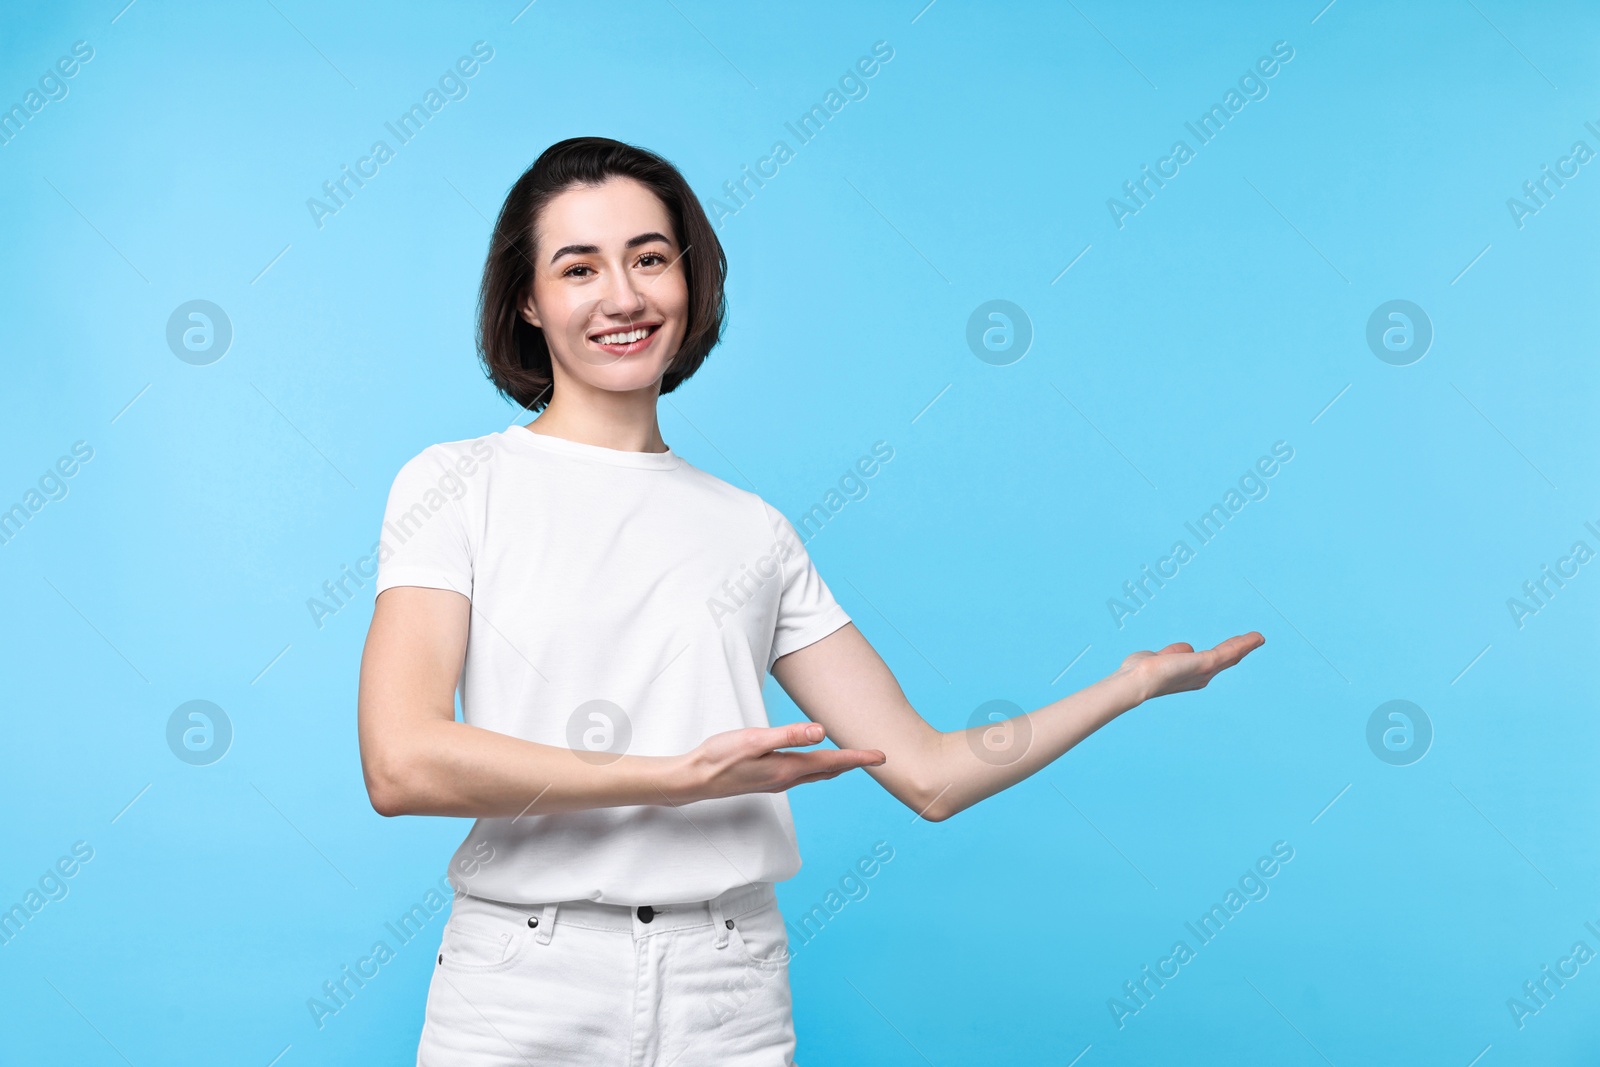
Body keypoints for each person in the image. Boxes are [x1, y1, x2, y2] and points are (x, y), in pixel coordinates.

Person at [356, 136, 1264, 1067]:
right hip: (523, 978)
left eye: (650, 258)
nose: (623, 296)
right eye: (578, 267)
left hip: (726, 983)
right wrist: (672, 779)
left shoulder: (753, 530)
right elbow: (402, 762)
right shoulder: (457, 485)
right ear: (527, 299)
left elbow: (932, 772)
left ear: (689, 278)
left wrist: (1130, 685)